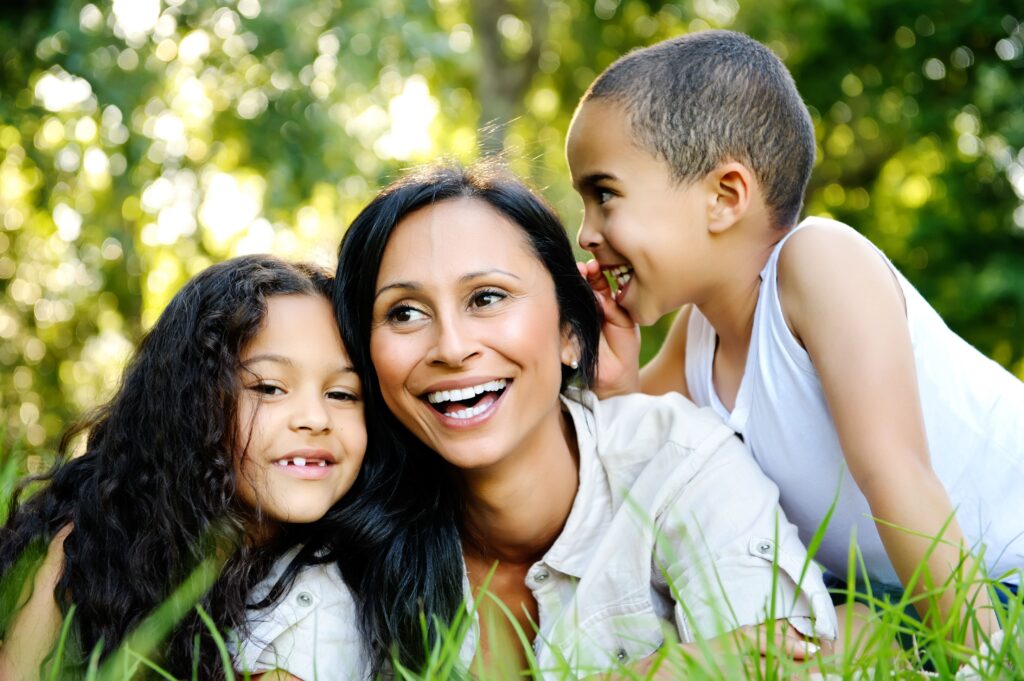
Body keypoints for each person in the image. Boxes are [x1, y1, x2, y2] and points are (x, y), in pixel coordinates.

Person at [566, 29, 1024, 638]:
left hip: (990, 576)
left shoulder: (820, 264)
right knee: (797, 637)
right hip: (896, 594)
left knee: (808, 641)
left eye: (604, 195)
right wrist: (619, 380)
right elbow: (641, 466)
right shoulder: (698, 335)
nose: (586, 234)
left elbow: (897, 470)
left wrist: (981, 654)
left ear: (725, 197)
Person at [335, 163, 837, 679]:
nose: (453, 348)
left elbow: (793, 665)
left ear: (571, 332)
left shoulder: (677, 463)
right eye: (405, 313)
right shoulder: (346, 531)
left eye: (487, 298)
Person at [0, 256, 371, 680]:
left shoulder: (325, 598)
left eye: (343, 394)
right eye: (269, 388)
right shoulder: (89, 537)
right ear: (192, 406)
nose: (315, 418)